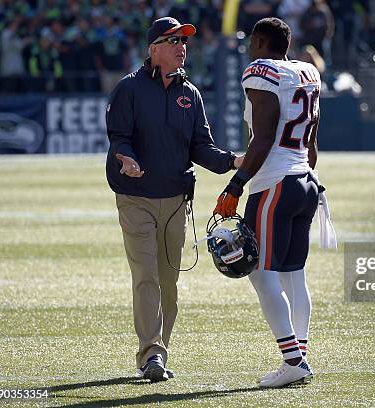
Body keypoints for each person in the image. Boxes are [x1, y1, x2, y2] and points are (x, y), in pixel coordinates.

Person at [105, 16, 241, 383]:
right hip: (136, 199)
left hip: (176, 201)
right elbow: (118, 138)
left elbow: (202, 148)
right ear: (153, 50)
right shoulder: (128, 89)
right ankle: (152, 354)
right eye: (173, 40)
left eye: (184, 40)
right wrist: (126, 158)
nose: (182, 46)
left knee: (169, 284)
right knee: (146, 276)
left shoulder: (191, 94)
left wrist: (233, 161)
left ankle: (156, 354)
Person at [214, 17, 322, 388]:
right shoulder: (307, 72)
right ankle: (300, 357)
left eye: (251, 42)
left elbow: (262, 137)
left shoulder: (260, 72)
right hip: (305, 180)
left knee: (259, 273)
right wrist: (308, 178)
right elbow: (312, 143)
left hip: (274, 183)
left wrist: (236, 184)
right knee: (294, 273)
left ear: (260, 41)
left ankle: (293, 361)